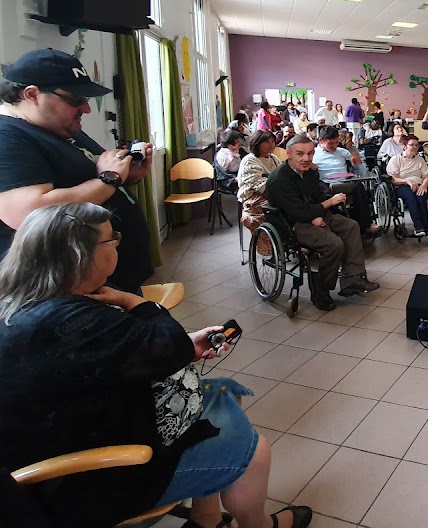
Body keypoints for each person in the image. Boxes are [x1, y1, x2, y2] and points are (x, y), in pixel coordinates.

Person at [0, 202, 313, 528]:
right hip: (90, 476)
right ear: (80, 255)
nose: (118, 244)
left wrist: (179, 348)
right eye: (112, 240)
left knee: (222, 394)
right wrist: (135, 302)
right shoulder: (71, 321)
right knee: (255, 452)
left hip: (89, 427)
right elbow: (162, 340)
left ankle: (205, 519)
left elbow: (109, 359)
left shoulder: (28, 304)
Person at [0, 49, 153, 292]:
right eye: (75, 100)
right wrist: (109, 179)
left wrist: (125, 175)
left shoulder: (57, 127)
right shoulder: (8, 136)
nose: (86, 109)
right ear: (32, 94)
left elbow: (90, 180)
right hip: (71, 287)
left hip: (109, 277)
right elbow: (28, 213)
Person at [266, 134, 379, 310]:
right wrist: (326, 205)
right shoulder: (279, 179)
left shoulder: (309, 173)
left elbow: (319, 195)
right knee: (334, 244)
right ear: (289, 154)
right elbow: (298, 211)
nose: (306, 159)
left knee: (351, 226)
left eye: (310, 154)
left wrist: (321, 209)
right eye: (300, 154)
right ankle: (320, 289)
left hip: (315, 214)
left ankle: (352, 279)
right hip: (292, 223)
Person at [238, 130, 282, 254]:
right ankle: (269, 246)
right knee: (275, 209)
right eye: (267, 142)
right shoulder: (250, 160)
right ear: (257, 144)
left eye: (273, 141)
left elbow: (282, 176)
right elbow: (260, 186)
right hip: (253, 196)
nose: (271, 144)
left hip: (273, 192)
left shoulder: (273, 158)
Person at [386, 136, 428, 238]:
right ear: (404, 146)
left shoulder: (420, 160)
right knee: (411, 197)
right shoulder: (396, 159)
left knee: (421, 197)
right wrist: (407, 181)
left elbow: (426, 177)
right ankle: (418, 226)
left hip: (419, 184)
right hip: (401, 185)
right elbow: (393, 179)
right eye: (411, 145)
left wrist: (424, 185)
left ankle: (427, 227)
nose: (415, 147)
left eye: (416, 145)